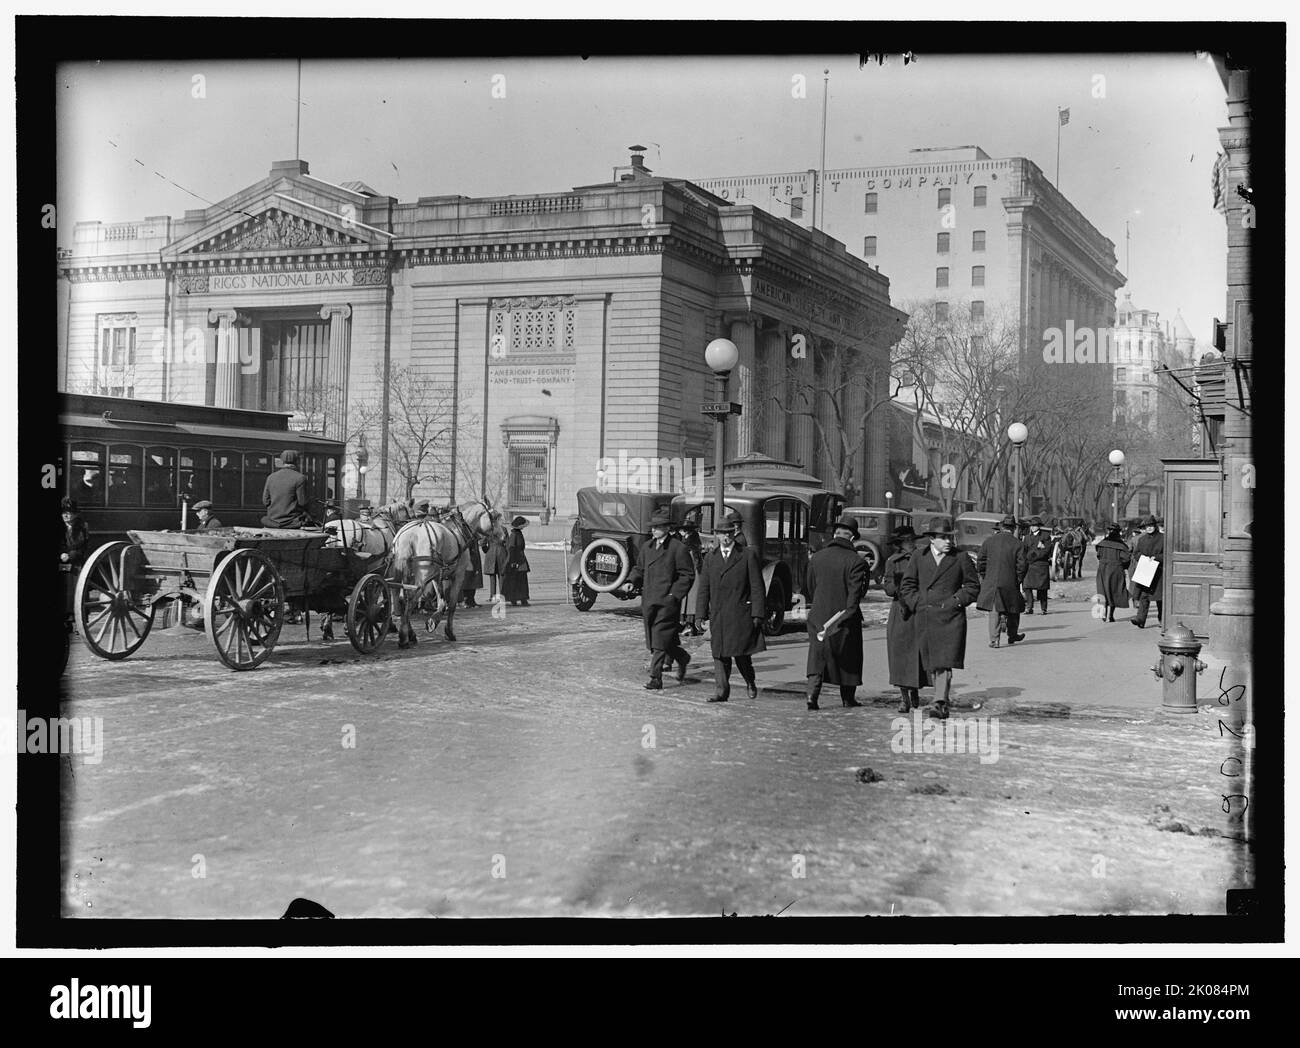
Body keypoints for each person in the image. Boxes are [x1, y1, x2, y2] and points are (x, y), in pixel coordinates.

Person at [900, 516, 980, 721]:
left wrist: (955, 601)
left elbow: (973, 587)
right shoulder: (919, 557)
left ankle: (939, 701)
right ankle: (941, 699)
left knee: (944, 661)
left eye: (950, 537)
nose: (948, 542)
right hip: (925, 616)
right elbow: (907, 585)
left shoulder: (961, 558)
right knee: (932, 663)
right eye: (943, 538)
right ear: (932, 539)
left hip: (951, 618)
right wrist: (917, 603)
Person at [695, 510, 765, 702]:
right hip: (718, 615)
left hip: (740, 614)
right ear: (716, 535)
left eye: (728, 533)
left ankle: (750, 681)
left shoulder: (747, 555)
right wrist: (700, 615)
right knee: (719, 654)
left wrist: (758, 613)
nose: (725, 537)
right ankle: (721, 691)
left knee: (741, 656)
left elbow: (757, 587)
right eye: (721, 533)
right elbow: (704, 589)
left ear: (733, 534)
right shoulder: (710, 558)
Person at [804, 515, 870, 711]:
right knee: (849, 657)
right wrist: (847, 613)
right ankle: (847, 698)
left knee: (817, 657)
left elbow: (810, 587)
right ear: (852, 538)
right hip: (844, 617)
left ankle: (811, 696)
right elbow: (857, 594)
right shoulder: (856, 562)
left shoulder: (817, 557)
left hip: (818, 614)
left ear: (835, 534)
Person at [624, 509, 695, 691]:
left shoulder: (678, 548)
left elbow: (687, 575)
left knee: (658, 639)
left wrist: (674, 596)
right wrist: (631, 581)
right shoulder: (647, 547)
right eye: (653, 527)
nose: (654, 530)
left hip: (667, 603)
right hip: (649, 601)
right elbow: (639, 568)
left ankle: (656, 678)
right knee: (661, 639)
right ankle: (682, 657)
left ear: (667, 528)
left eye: (657, 527)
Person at [882, 525, 928, 713]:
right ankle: (904, 698)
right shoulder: (893, 561)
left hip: (918, 609)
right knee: (899, 655)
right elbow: (887, 587)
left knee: (917, 653)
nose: (910, 545)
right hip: (900, 611)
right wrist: (900, 588)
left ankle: (915, 689)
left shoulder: (924, 558)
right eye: (906, 542)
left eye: (912, 541)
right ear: (900, 544)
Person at [976, 513, 1028, 649]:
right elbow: (1022, 566)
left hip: (992, 582)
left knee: (994, 611)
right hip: (1010, 582)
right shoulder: (1018, 544)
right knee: (1013, 608)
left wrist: (985, 576)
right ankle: (1012, 635)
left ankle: (994, 640)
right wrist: (1017, 580)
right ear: (1013, 529)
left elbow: (980, 561)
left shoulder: (989, 542)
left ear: (1001, 527)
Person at [261, 449, 312, 529]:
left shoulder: (271, 477)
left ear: (282, 461)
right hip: (292, 523)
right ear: (297, 461)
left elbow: (265, 501)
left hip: (272, 522)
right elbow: (303, 502)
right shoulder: (300, 478)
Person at [1130, 514, 1165, 629]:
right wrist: (1143, 559)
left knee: (1160, 598)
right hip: (1145, 570)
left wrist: (1156, 558)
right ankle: (1140, 619)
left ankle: (1162, 619)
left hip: (1159, 572)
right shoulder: (1142, 539)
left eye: (1151, 525)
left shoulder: (1163, 538)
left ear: (1155, 526)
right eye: (1147, 526)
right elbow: (1136, 553)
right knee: (1144, 596)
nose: (1149, 528)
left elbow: (1167, 554)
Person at [1095, 523, 1131, 623]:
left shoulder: (1102, 543)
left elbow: (1098, 555)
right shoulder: (1122, 545)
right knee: (1114, 591)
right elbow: (1126, 559)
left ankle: (1104, 613)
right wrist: (1123, 567)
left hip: (1103, 569)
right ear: (1118, 532)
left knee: (1103, 591)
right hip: (1116, 570)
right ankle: (1111, 615)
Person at [678, 517, 705, 636]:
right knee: (692, 601)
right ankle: (692, 625)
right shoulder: (695, 542)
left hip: (691, 575)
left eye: (682, 530)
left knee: (689, 602)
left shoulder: (686, 545)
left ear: (686, 531)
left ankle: (689, 626)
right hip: (696, 574)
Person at [1021, 516, 1053, 615]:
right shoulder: (1026, 537)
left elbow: (1046, 551)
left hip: (1040, 565)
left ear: (1039, 526)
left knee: (1042, 588)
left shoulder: (1045, 536)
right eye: (1031, 526)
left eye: (1034, 525)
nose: (1033, 527)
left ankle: (1044, 608)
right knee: (1026, 586)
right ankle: (1029, 607)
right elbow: (1023, 550)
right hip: (1029, 566)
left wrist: (1034, 556)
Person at [501, 515, 531, 606]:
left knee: (521, 580)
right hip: (516, 561)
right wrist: (513, 562)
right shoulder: (514, 534)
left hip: (520, 559)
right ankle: (514, 599)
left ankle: (522, 599)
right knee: (516, 581)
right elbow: (512, 549)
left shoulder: (518, 533)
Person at [60, 496, 89, 570]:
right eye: (63, 513)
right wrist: (61, 554)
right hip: (62, 558)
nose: (65, 515)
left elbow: (82, 545)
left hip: (76, 560)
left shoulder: (82, 526)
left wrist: (69, 555)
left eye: (68, 513)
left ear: (75, 514)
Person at [481, 526, 508, 602]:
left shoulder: (487, 529)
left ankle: (492, 596)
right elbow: (507, 543)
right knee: (501, 576)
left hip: (491, 552)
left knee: (492, 577)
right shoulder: (503, 529)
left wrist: (487, 551)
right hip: (502, 553)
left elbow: (483, 543)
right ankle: (502, 596)